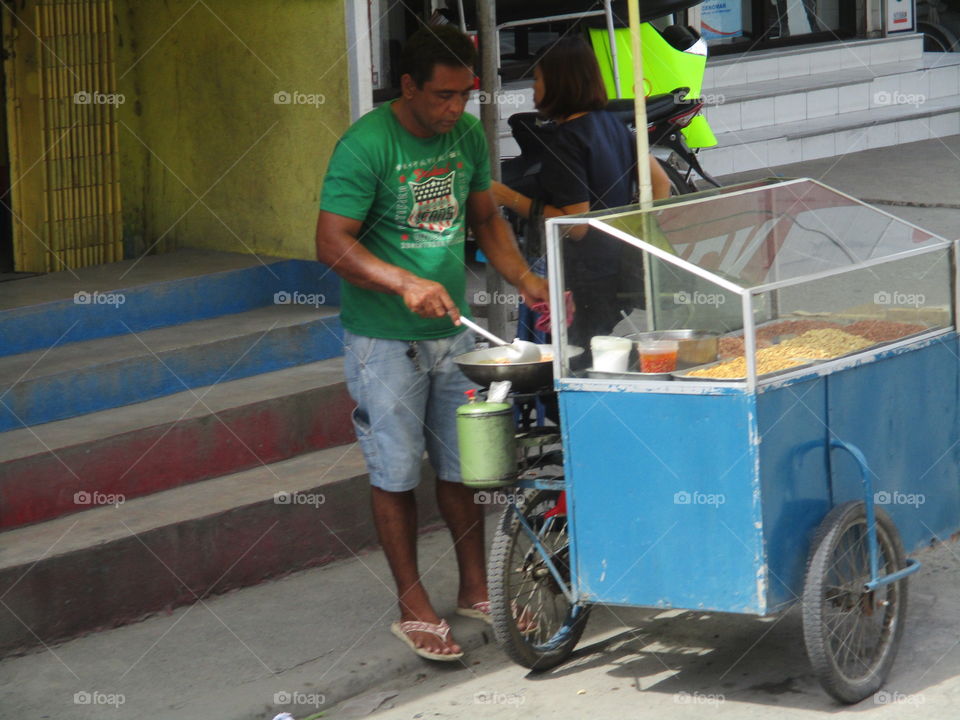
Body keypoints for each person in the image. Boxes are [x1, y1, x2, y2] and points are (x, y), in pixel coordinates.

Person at [315, 25, 548, 662]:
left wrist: (528, 283)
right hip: (384, 341)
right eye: (442, 96)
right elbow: (331, 243)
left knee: (463, 466)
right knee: (394, 472)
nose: (454, 110)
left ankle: (476, 586)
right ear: (409, 86)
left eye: (465, 97)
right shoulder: (365, 146)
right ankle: (411, 602)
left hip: (453, 334)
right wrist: (401, 281)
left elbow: (484, 218)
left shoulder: (466, 137)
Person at [491, 37, 670, 349]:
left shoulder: (567, 141)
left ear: (560, 82)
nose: (533, 89)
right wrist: (630, 230)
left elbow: (576, 226)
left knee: (573, 360)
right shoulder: (612, 124)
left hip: (580, 280)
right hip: (614, 268)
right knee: (598, 353)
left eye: (538, 79)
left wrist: (507, 197)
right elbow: (661, 184)